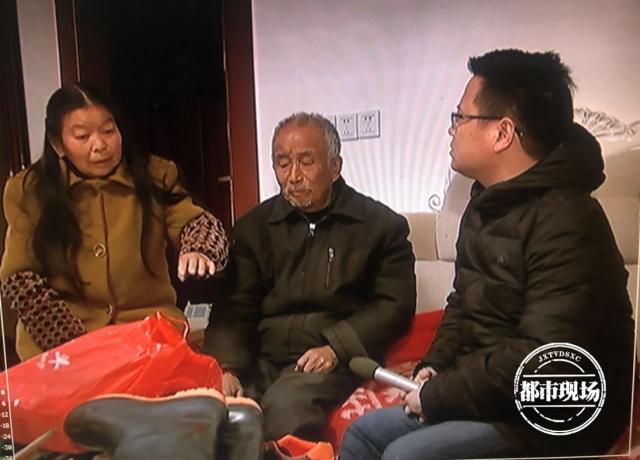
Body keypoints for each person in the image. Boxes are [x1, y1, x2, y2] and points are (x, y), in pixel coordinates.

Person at [340, 49, 634, 459]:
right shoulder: (484, 205)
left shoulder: (569, 222)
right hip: (492, 392)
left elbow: (542, 359)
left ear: (502, 133)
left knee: (405, 455)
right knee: (363, 435)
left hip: (553, 410)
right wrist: (434, 367)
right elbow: (463, 304)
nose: (451, 130)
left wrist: (441, 396)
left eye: (460, 117)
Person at [205, 112, 416, 441]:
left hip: (332, 358)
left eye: (306, 162)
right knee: (212, 412)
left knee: (285, 410)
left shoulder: (381, 227)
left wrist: (336, 348)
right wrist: (226, 366)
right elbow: (234, 304)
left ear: (335, 167)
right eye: (282, 163)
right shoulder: (254, 227)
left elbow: (394, 305)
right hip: (262, 356)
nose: (293, 176)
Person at [0, 83, 229, 360]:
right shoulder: (29, 190)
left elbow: (194, 220)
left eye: (108, 131)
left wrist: (199, 247)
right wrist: (75, 346)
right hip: (64, 346)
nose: (100, 145)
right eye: (83, 136)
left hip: (148, 335)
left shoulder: (155, 174)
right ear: (58, 144)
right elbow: (19, 278)